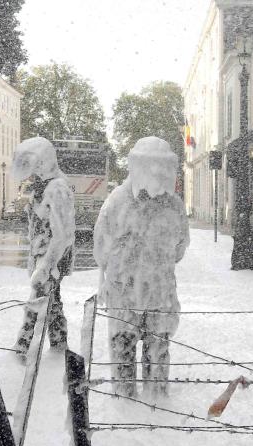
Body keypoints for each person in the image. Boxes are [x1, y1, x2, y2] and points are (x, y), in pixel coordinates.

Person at [93, 136, 190, 398]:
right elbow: (101, 249)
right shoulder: (119, 202)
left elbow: (180, 247)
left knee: (154, 348)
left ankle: (153, 400)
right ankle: (128, 402)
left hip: (154, 293)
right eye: (153, 166)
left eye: (163, 167)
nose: (158, 173)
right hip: (132, 293)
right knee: (128, 347)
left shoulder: (171, 206)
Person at [11, 137, 75, 357]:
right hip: (44, 258)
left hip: (51, 260)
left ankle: (22, 349)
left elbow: (63, 235)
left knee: (37, 303)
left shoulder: (56, 188)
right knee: (52, 303)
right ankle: (59, 346)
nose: (29, 172)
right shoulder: (43, 186)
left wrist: (46, 265)